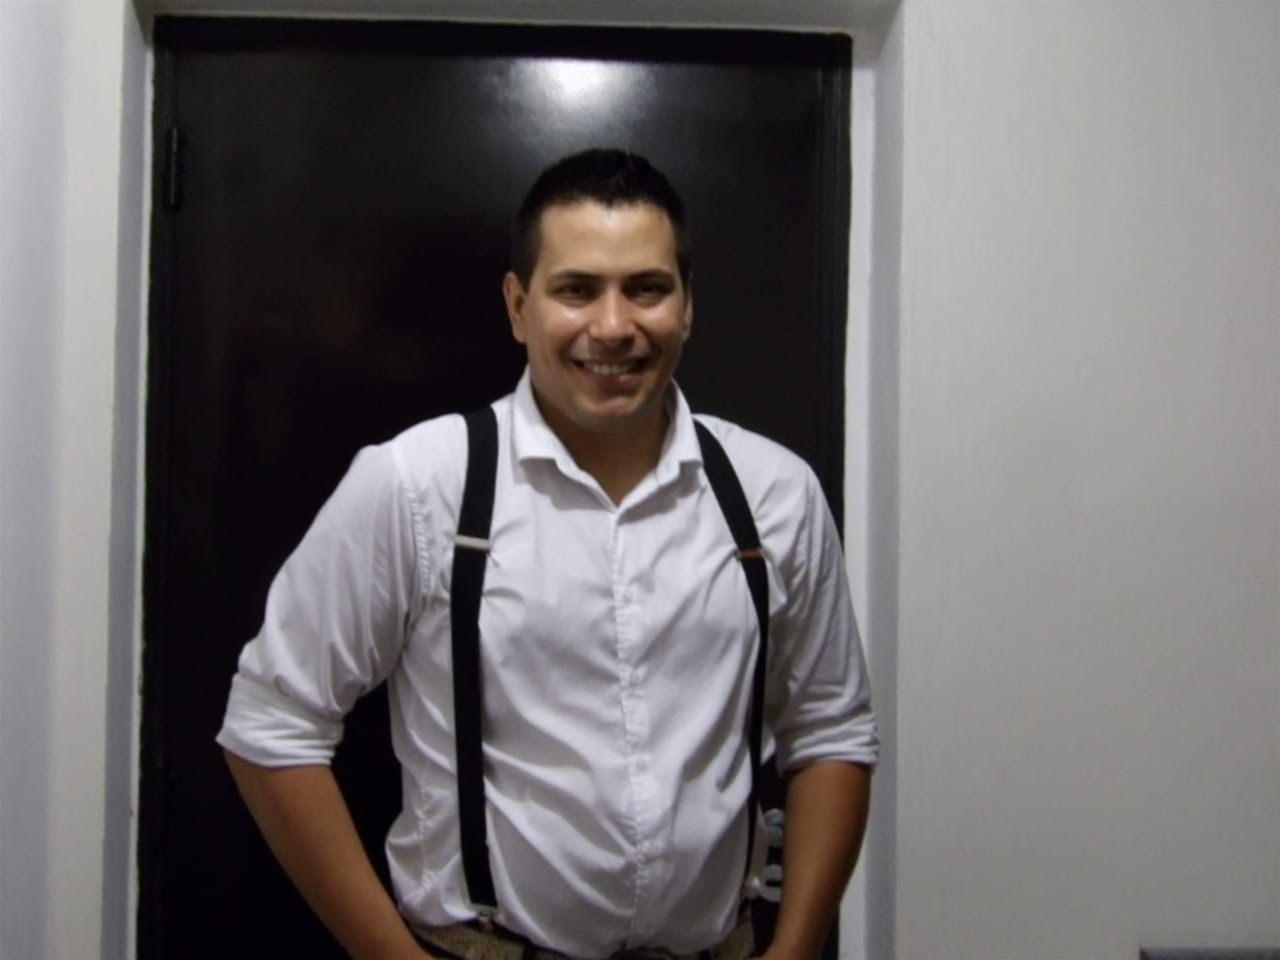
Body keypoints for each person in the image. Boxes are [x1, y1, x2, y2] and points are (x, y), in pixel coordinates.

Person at [217, 148, 878, 960]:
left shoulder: (775, 491)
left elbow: (830, 728)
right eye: (576, 290)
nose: (614, 326)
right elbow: (272, 722)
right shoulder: (419, 483)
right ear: (518, 305)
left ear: (687, 305)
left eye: (647, 288)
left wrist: (796, 950)